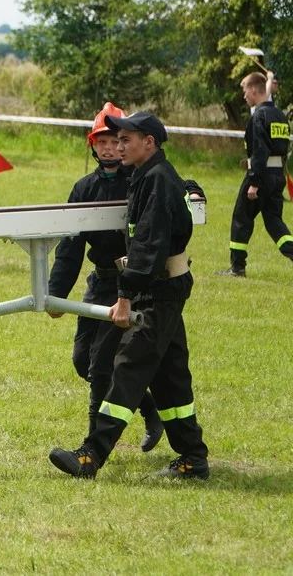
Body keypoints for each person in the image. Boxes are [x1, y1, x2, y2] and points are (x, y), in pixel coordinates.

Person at [49, 111, 210, 480]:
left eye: (125, 141)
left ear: (148, 143)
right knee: (170, 379)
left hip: (156, 291)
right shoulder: (146, 176)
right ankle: (193, 458)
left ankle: (91, 455)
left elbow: (147, 248)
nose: (118, 147)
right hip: (160, 290)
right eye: (113, 141)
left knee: (127, 369)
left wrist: (125, 297)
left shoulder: (158, 182)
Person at [47, 103, 164, 454]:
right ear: (92, 144)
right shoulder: (83, 188)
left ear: (129, 142)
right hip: (98, 284)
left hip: (129, 286)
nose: (110, 147)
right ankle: (147, 407)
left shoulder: (141, 179)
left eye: (116, 139)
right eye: (102, 141)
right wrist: (55, 293)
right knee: (82, 360)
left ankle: (92, 447)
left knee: (101, 367)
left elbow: (171, 187)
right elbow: (70, 246)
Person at [218, 71, 292, 277]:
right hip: (277, 175)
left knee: (241, 217)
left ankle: (237, 267)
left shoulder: (259, 115)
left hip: (261, 175)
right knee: (274, 222)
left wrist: (254, 182)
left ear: (253, 89)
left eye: (244, 91)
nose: (244, 96)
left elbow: (260, 151)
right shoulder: (279, 116)